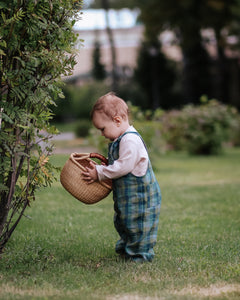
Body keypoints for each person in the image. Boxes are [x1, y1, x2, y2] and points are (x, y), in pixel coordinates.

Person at [82, 92, 161, 262]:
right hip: (128, 197)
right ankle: (127, 247)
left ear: (117, 120)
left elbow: (124, 166)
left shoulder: (130, 140)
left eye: (102, 129)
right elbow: (117, 166)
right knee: (124, 222)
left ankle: (140, 254)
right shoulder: (121, 139)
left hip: (141, 198)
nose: (102, 134)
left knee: (138, 225)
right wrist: (104, 168)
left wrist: (100, 173)